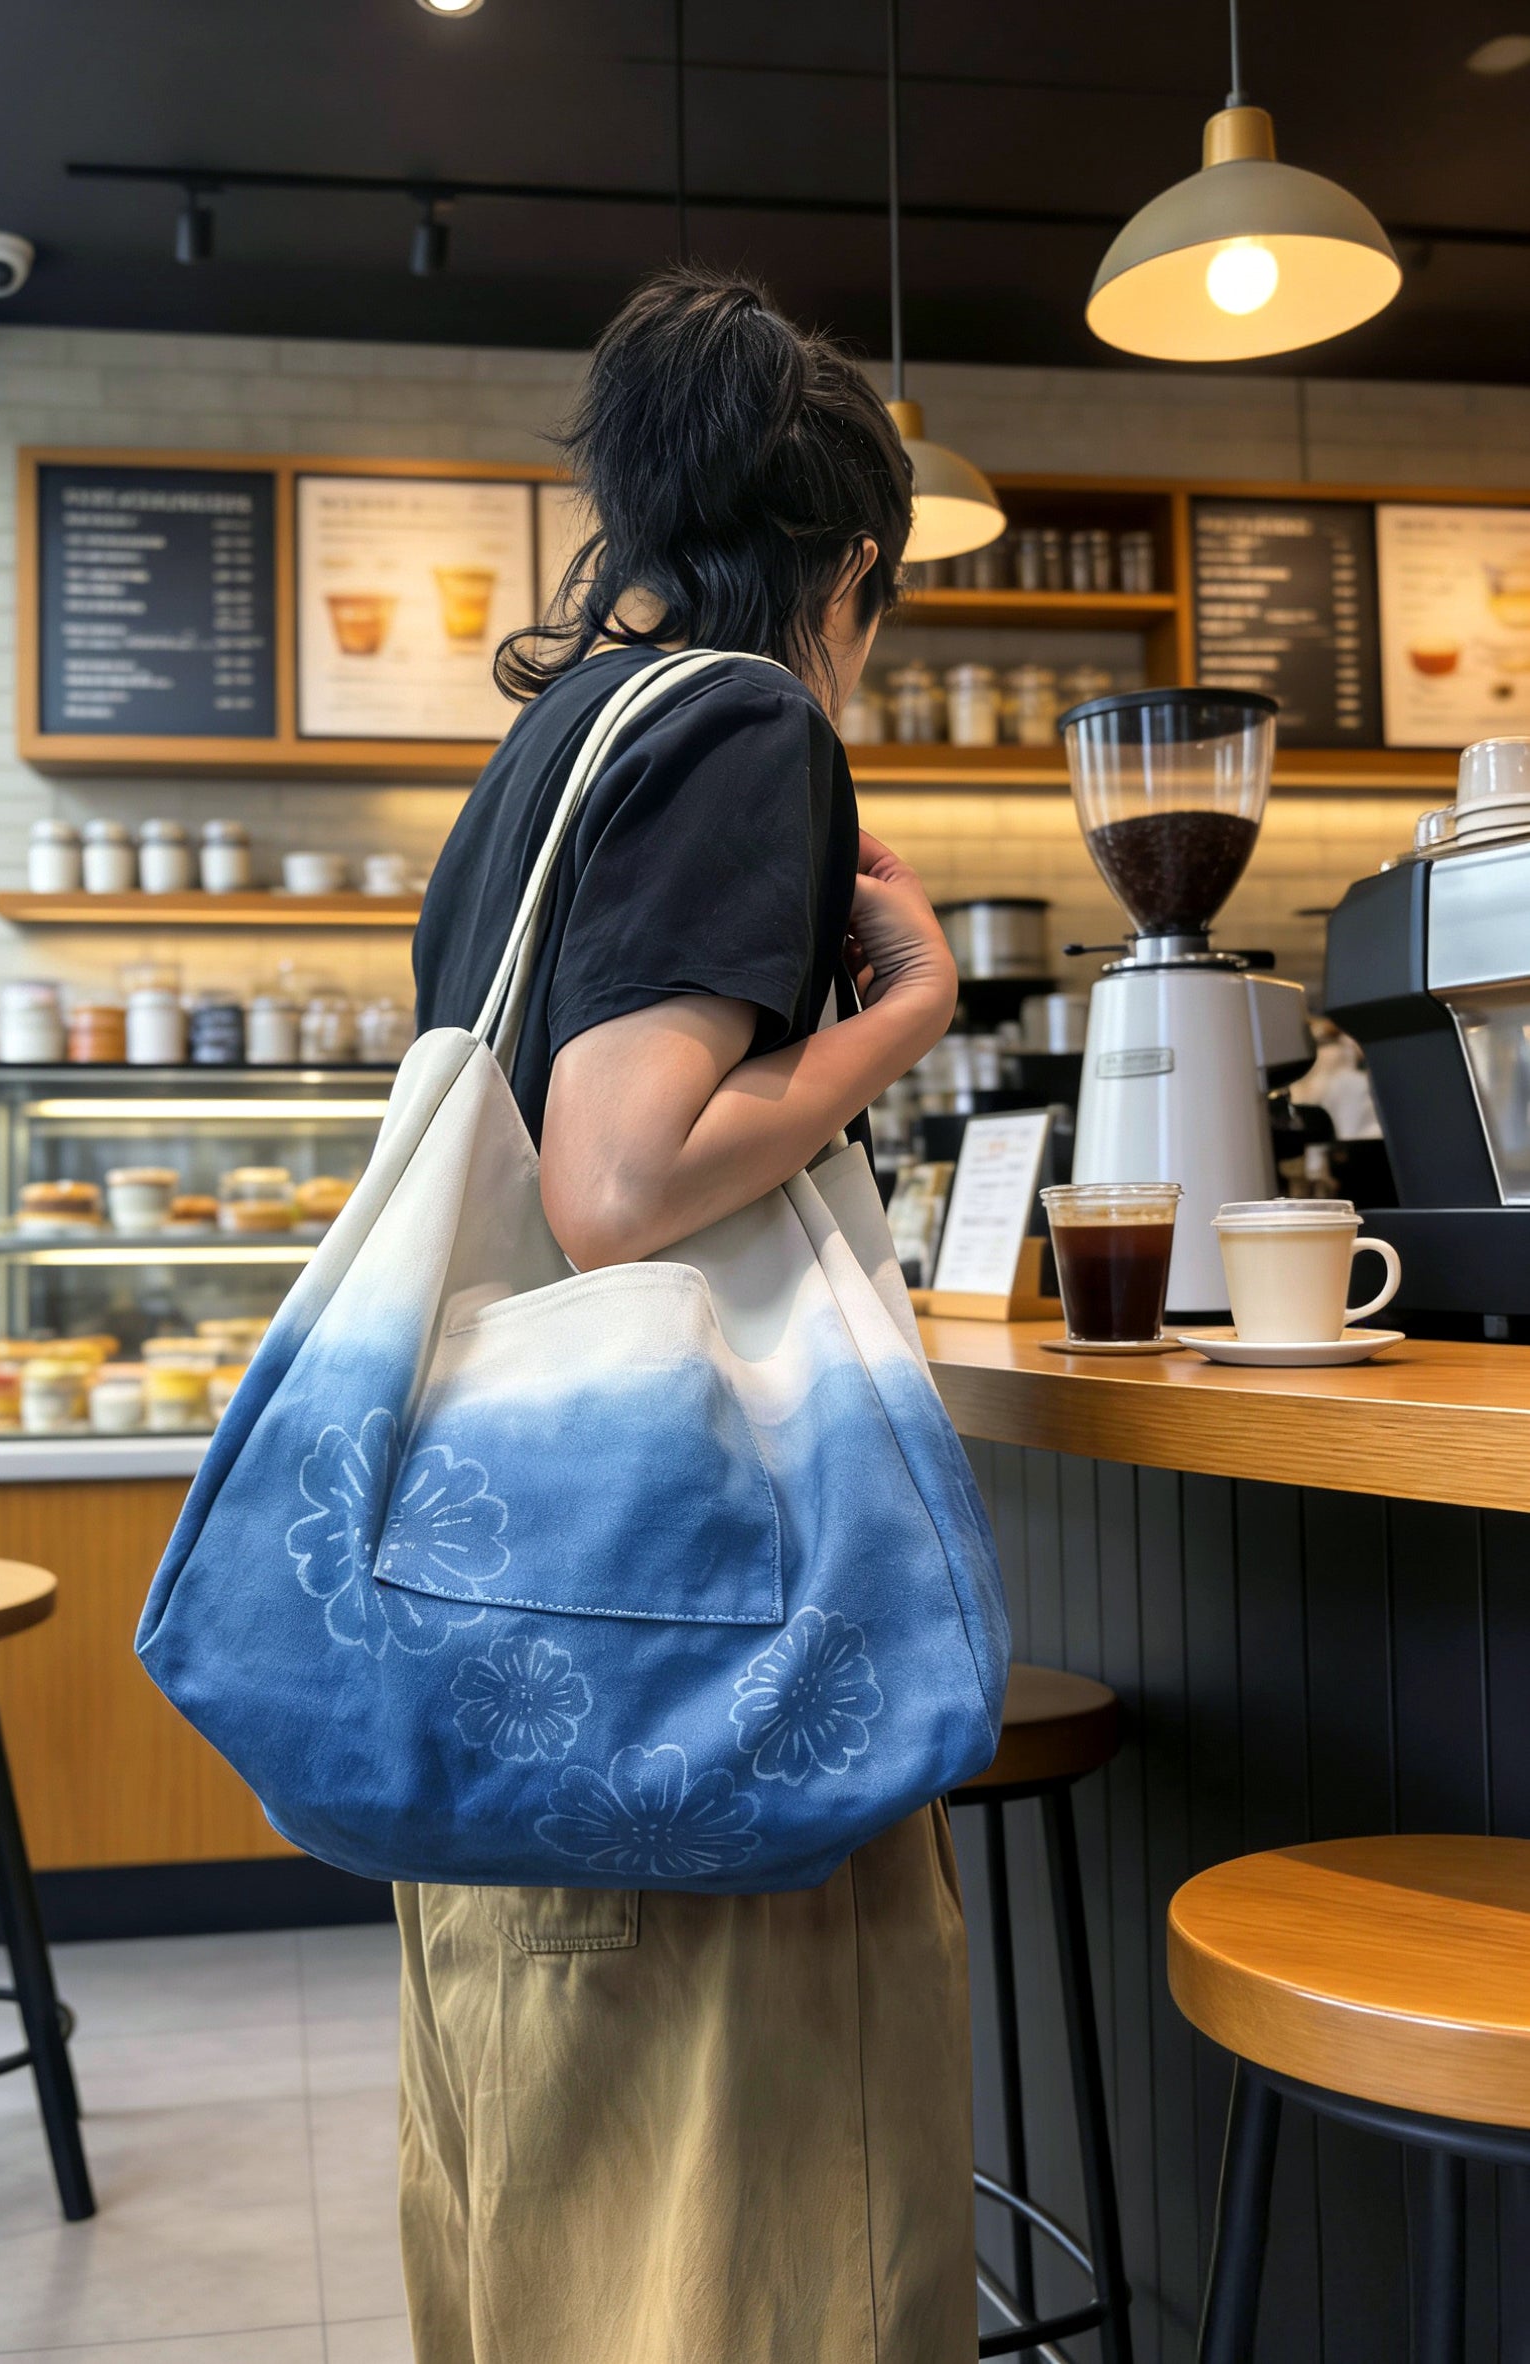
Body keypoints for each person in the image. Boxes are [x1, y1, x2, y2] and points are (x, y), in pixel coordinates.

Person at [402, 266, 974, 2364]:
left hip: (518, 1622)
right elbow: (622, 1179)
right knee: (747, 2241)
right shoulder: (743, 722)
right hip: (687, 1634)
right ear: (837, 560)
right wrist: (899, 1012)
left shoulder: (538, 758)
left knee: (547, 2221)